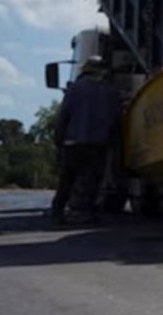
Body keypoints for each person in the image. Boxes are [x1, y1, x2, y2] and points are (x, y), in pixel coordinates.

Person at [50, 56, 123, 224]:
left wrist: (59, 141)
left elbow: (64, 116)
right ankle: (87, 212)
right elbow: (116, 119)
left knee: (67, 178)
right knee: (93, 179)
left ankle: (58, 211)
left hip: (73, 142)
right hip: (98, 143)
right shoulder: (110, 91)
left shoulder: (75, 89)